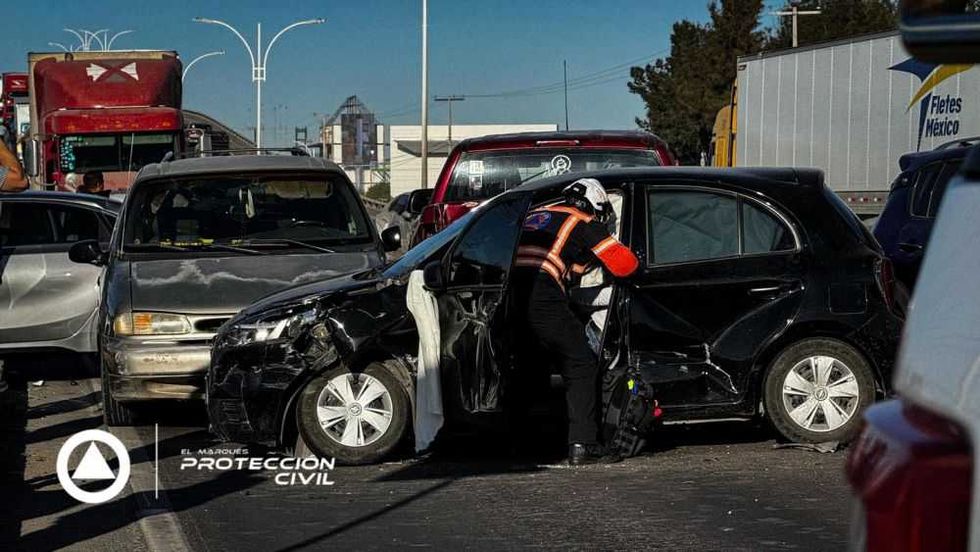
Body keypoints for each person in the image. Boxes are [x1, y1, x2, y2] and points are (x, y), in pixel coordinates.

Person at [512, 177, 639, 465]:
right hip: (542, 294)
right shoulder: (582, 221)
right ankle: (583, 444)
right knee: (580, 363)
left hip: (509, 294)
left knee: (528, 365)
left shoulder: (537, 216)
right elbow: (625, 265)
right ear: (593, 206)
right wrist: (605, 243)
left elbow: (569, 264)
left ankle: (520, 440)